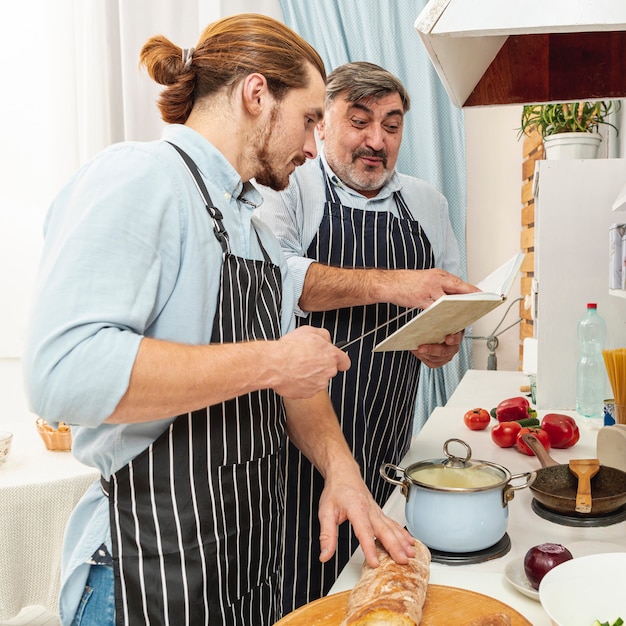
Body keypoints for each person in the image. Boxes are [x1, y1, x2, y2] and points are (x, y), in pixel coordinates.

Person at [22, 22, 415, 626]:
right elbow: (63, 373)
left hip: (238, 568)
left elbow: (296, 388)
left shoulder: (252, 224)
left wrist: (344, 475)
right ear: (257, 94)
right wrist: (274, 361)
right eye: (312, 118)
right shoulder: (141, 176)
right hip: (145, 566)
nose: (315, 146)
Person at [255, 61, 479, 612]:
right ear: (322, 124)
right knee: (309, 589)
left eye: (392, 124)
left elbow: (447, 303)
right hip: (296, 445)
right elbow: (285, 283)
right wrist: (397, 285)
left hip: (389, 432)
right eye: (359, 121)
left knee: (379, 585)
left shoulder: (427, 203)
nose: (376, 140)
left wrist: (442, 341)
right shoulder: (290, 187)